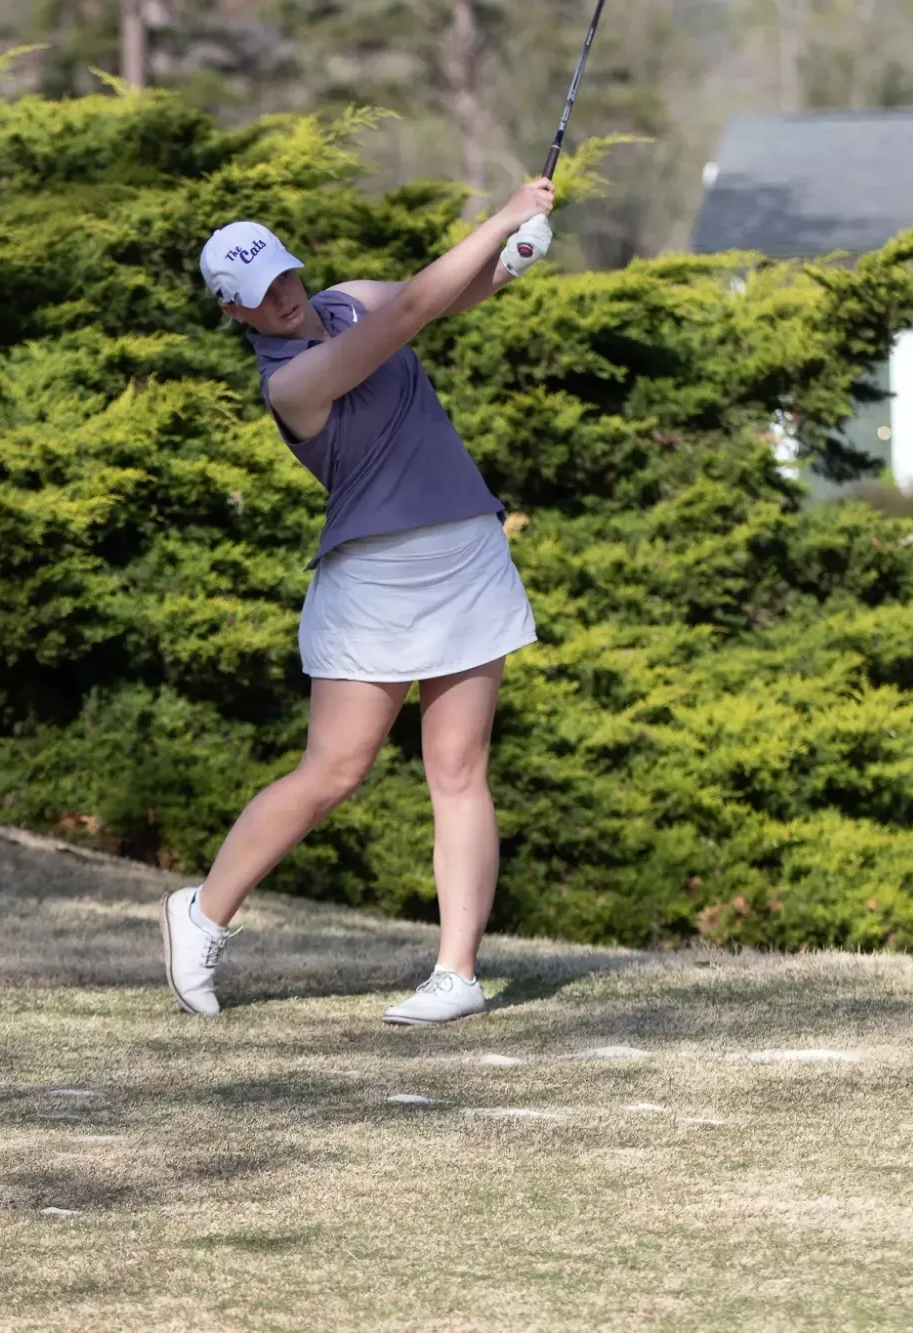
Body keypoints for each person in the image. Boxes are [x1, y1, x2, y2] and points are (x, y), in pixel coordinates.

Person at [160, 178, 559, 1025]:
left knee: (460, 769)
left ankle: (457, 973)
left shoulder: (344, 302)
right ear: (233, 311)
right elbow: (412, 310)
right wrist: (503, 214)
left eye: (283, 273)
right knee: (334, 771)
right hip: (376, 577)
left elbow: (448, 296)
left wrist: (513, 259)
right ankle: (201, 913)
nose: (283, 295)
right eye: (259, 292)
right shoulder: (292, 384)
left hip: (465, 548)